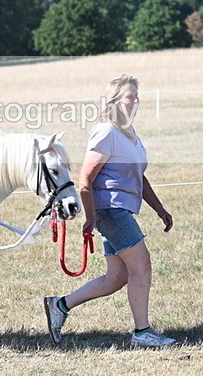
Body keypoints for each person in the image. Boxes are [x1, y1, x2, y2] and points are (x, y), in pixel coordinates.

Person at [44, 74, 176, 348]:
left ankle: (60, 305)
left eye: (137, 96)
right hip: (111, 211)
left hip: (119, 210)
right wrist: (91, 216)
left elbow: (139, 177)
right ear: (114, 101)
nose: (136, 101)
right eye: (130, 96)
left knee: (117, 277)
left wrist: (159, 209)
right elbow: (85, 179)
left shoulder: (129, 133)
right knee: (141, 266)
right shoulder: (106, 132)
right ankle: (142, 332)